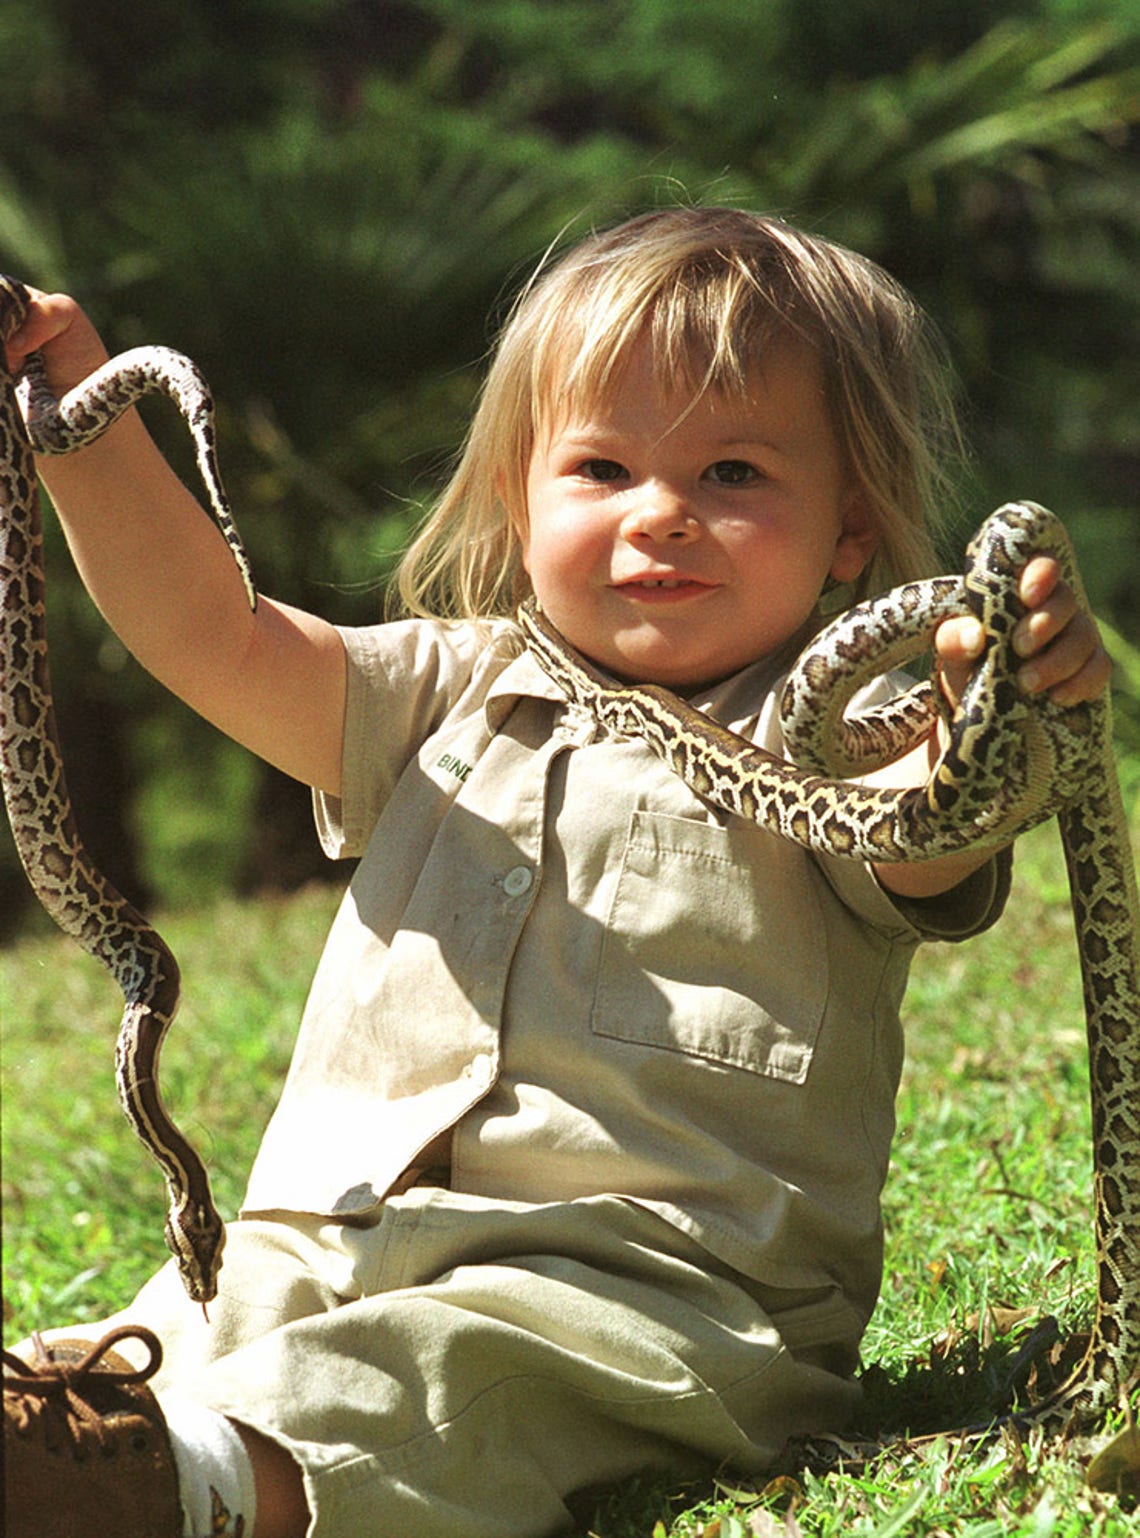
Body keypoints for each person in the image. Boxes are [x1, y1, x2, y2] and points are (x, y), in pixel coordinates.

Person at [2, 207, 1111, 1538]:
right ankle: (70, 1445)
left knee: (437, 1381)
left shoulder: (827, 736)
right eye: (602, 467)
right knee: (163, 1328)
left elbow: (939, 827)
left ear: (852, 534)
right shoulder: (443, 694)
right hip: (325, 1233)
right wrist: (81, 423)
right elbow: (212, 635)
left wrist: (993, 706)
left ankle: (183, 1494)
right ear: (523, 500)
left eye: (736, 473)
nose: (665, 517)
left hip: (649, 1292)